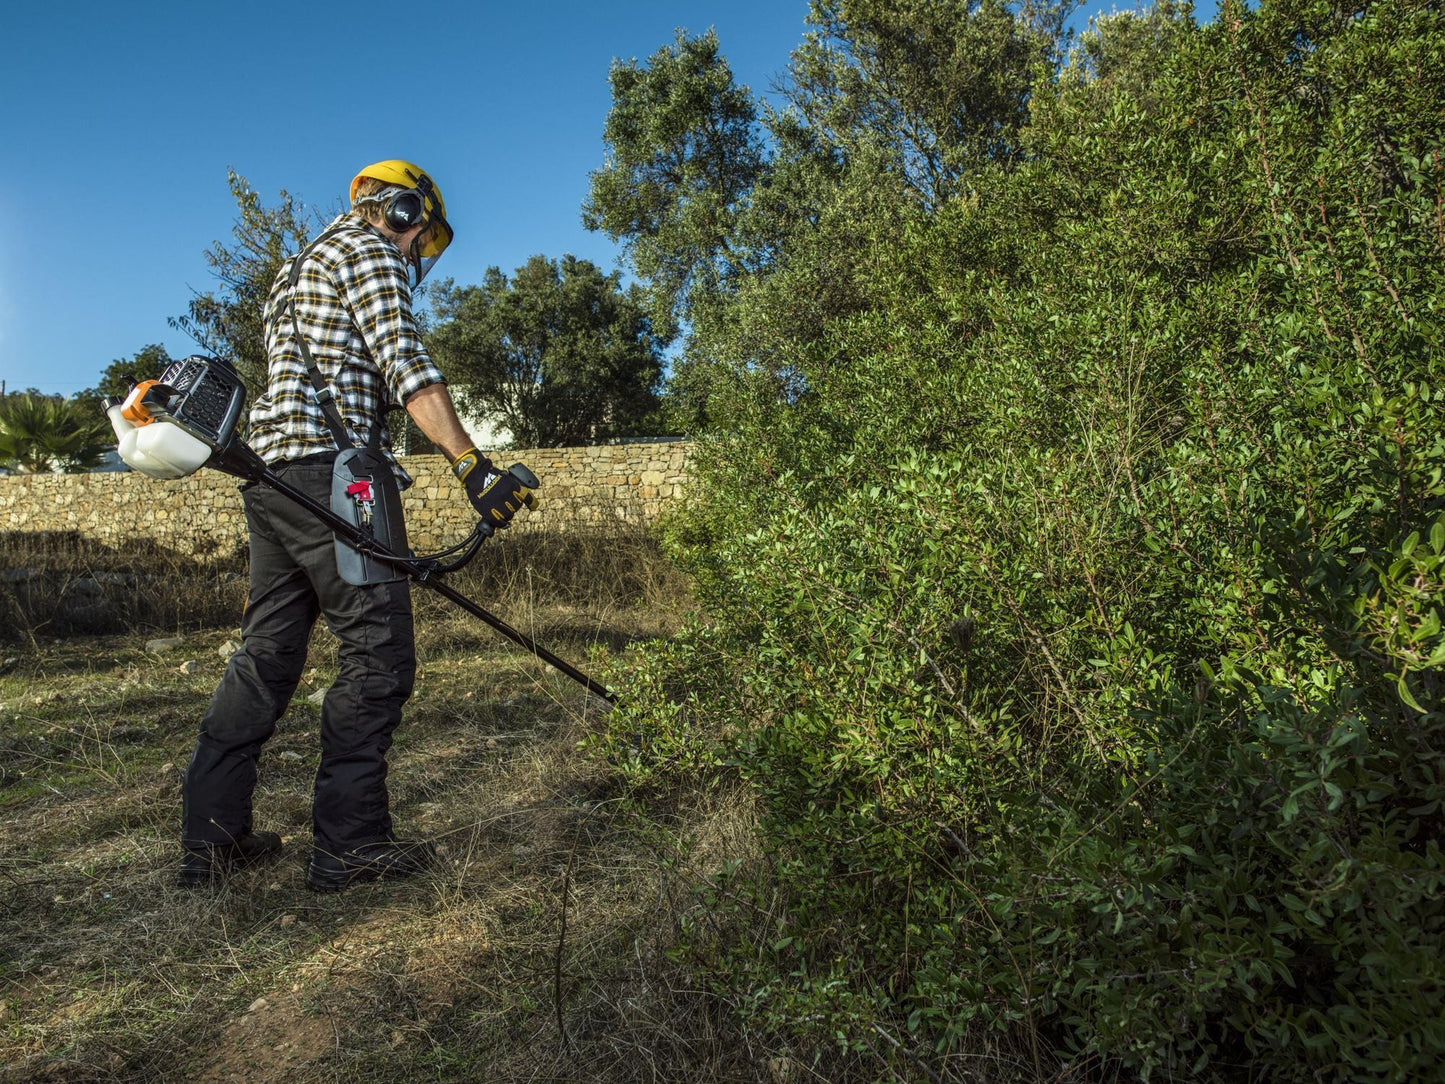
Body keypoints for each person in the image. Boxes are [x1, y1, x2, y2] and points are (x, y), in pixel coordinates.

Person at [178, 159, 532, 891]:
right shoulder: (371, 253)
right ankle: (350, 845)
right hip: (341, 482)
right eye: (420, 236)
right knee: (377, 656)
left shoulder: (295, 267)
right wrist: (472, 466)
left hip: (272, 478)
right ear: (400, 212)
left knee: (265, 656)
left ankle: (210, 844)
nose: (415, 254)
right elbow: (405, 363)